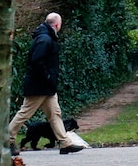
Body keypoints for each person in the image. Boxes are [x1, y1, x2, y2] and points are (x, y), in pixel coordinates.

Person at [8, 12, 84, 156]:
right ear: (57, 24)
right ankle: (7, 139)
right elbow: (37, 61)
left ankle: (65, 142)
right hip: (40, 85)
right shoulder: (45, 39)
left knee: (55, 114)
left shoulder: (45, 37)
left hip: (46, 86)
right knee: (24, 113)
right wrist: (48, 77)